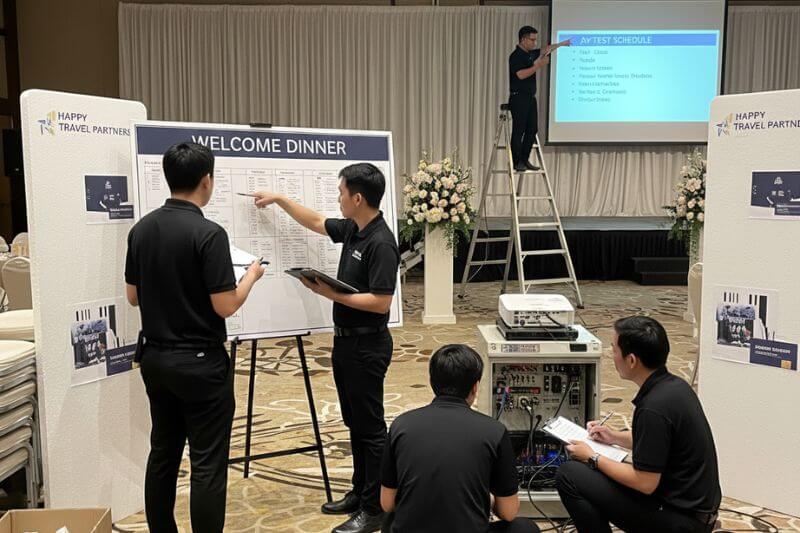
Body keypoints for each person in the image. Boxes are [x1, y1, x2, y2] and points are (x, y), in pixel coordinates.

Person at [125, 142, 265, 533]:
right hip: (200, 364)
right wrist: (251, 276)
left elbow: (132, 296)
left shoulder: (141, 230)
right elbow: (225, 305)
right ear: (207, 180)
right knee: (207, 462)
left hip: (154, 358)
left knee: (163, 453)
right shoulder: (209, 234)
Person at [253, 162, 400, 533]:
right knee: (354, 422)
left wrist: (331, 293)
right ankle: (358, 490)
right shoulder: (355, 227)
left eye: (341, 192)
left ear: (358, 197)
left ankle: (374, 508)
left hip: (368, 345)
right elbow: (317, 221)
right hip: (346, 344)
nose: (338, 199)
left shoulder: (381, 242)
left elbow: (382, 301)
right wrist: (281, 199)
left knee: (370, 429)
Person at [556, 316, 721, 533]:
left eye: (614, 350)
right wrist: (614, 436)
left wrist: (592, 457)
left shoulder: (653, 407)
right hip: (695, 512)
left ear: (632, 360)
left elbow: (645, 482)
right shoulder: (676, 388)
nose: (611, 355)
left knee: (569, 474)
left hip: (679, 520)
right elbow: (659, 442)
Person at [380, 344, 540, 533]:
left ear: (432, 381)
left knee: (390, 519)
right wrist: (483, 498)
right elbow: (508, 512)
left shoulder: (401, 425)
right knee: (524, 528)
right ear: (475, 386)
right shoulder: (494, 431)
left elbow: (387, 503)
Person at [508, 26, 550, 173]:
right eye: (532, 39)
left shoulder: (530, 54)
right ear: (523, 39)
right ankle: (517, 161)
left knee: (533, 128)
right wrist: (538, 65)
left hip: (530, 98)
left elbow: (545, 49)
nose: (534, 42)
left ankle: (525, 159)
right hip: (518, 97)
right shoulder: (515, 56)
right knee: (519, 130)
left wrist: (563, 44)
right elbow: (520, 75)